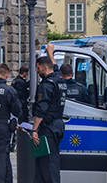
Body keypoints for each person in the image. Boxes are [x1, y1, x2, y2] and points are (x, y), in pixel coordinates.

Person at [31, 43, 67, 183]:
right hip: (57, 125)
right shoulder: (59, 79)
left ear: (44, 68)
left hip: (47, 128)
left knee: (48, 165)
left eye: (38, 68)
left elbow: (41, 110)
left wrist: (34, 130)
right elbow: (55, 67)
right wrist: (50, 53)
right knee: (41, 166)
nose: (37, 71)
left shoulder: (46, 85)